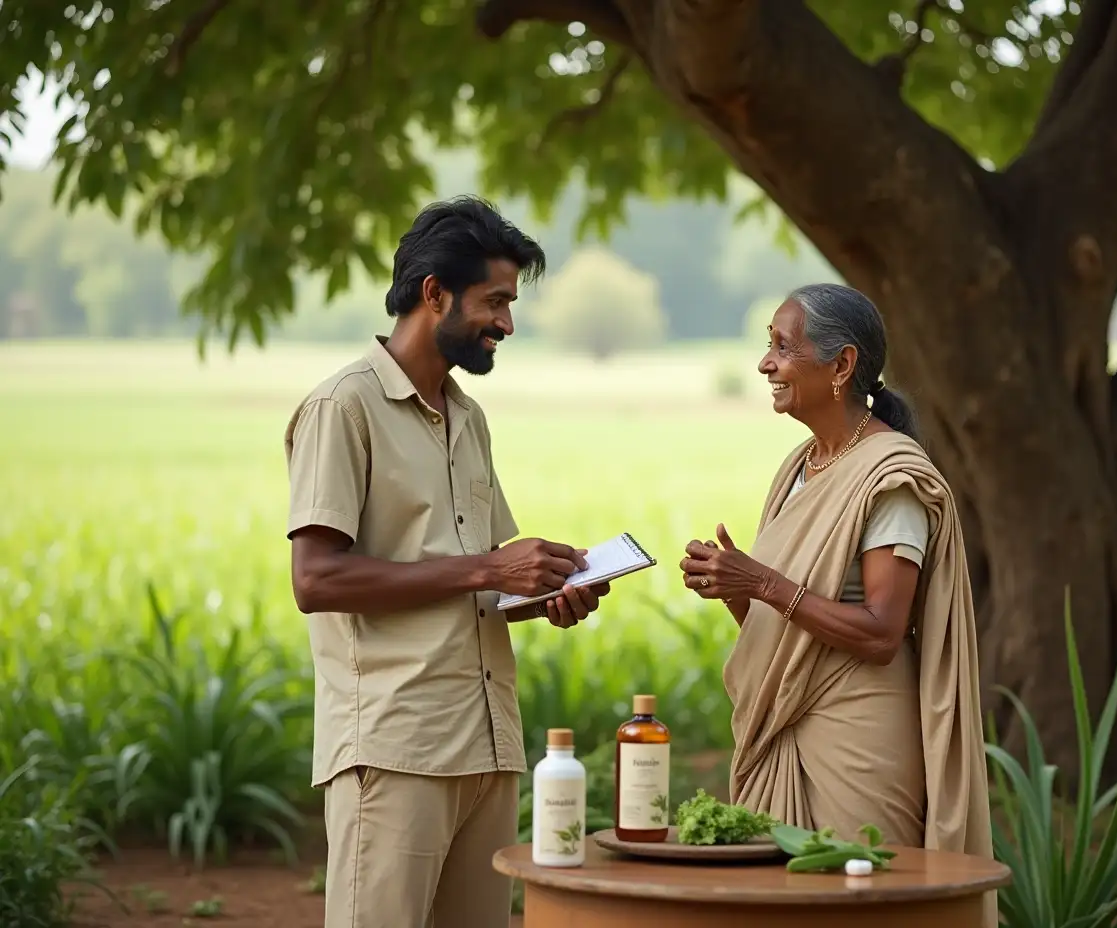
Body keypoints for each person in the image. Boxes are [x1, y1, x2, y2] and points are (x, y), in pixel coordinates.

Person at [284, 195, 610, 928]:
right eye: (495, 301)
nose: (507, 323)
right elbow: (317, 580)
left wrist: (546, 589)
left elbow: (484, 575)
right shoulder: (344, 408)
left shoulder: (468, 416)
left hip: (487, 746)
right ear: (435, 293)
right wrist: (491, 571)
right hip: (395, 749)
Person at [679, 283, 995, 926]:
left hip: (859, 739)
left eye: (782, 348)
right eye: (767, 347)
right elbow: (787, 636)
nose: (765, 363)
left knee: (858, 910)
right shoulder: (799, 467)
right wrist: (739, 591)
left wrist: (763, 582)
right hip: (785, 724)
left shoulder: (891, 479)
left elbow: (881, 633)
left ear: (842, 365)